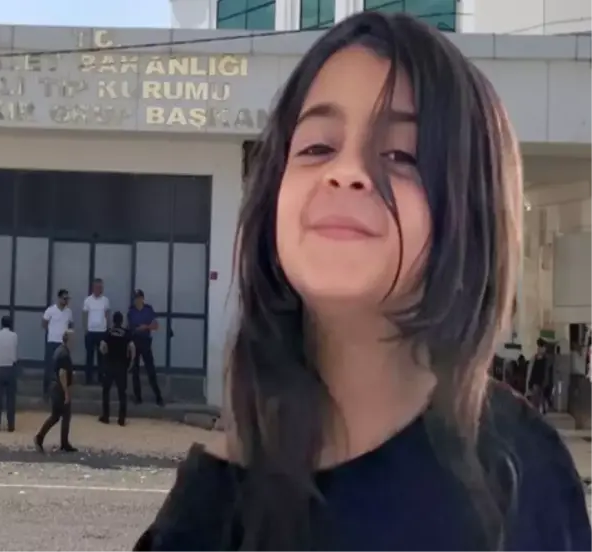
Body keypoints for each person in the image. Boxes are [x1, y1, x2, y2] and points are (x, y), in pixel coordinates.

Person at [133, 12, 592, 552]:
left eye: (399, 155)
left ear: (469, 211)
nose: (346, 172)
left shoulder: (524, 473)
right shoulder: (208, 513)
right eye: (317, 147)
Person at [34, 330, 77, 453]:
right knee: (61, 416)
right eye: (73, 339)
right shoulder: (64, 354)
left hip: (56, 387)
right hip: (59, 388)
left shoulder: (60, 351)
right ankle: (55, 441)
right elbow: (62, 373)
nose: (75, 342)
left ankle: (57, 441)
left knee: (58, 416)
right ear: (68, 340)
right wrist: (66, 392)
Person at [127, 290, 164, 406]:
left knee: (150, 370)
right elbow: (132, 328)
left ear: (142, 298)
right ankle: (138, 397)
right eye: (135, 298)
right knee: (135, 371)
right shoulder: (131, 311)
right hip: (135, 341)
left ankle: (158, 397)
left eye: (139, 298)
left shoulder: (148, 309)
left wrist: (145, 327)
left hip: (145, 342)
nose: (137, 300)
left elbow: (155, 325)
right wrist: (143, 327)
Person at [99, 311, 135, 426]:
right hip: (122, 365)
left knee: (106, 391)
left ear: (113, 320)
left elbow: (102, 346)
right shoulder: (126, 333)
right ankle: (121, 419)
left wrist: (105, 356)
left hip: (109, 365)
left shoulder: (109, 332)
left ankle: (106, 417)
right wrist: (131, 361)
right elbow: (132, 347)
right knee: (122, 393)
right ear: (122, 321)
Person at [43, 289, 73, 398]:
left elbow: (71, 325)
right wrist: (52, 332)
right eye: (64, 299)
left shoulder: (68, 312)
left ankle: (61, 392)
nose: (66, 301)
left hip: (63, 344)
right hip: (52, 341)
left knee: (63, 368)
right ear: (59, 298)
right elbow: (44, 323)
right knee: (49, 367)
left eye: (67, 299)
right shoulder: (51, 310)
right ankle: (46, 392)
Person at [0, 315, 19, 432]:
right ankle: (11, 425)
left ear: (1, 324)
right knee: (10, 399)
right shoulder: (14, 336)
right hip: (10, 368)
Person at [83, 278, 110, 386]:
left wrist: (108, 328)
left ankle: (101, 378)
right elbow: (85, 315)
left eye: (100, 287)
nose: (99, 289)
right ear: (93, 288)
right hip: (90, 332)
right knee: (89, 356)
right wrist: (85, 329)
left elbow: (107, 315)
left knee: (102, 357)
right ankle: (88, 379)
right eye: (97, 287)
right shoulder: (88, 300)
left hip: (102, 332)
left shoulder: (105, 300)